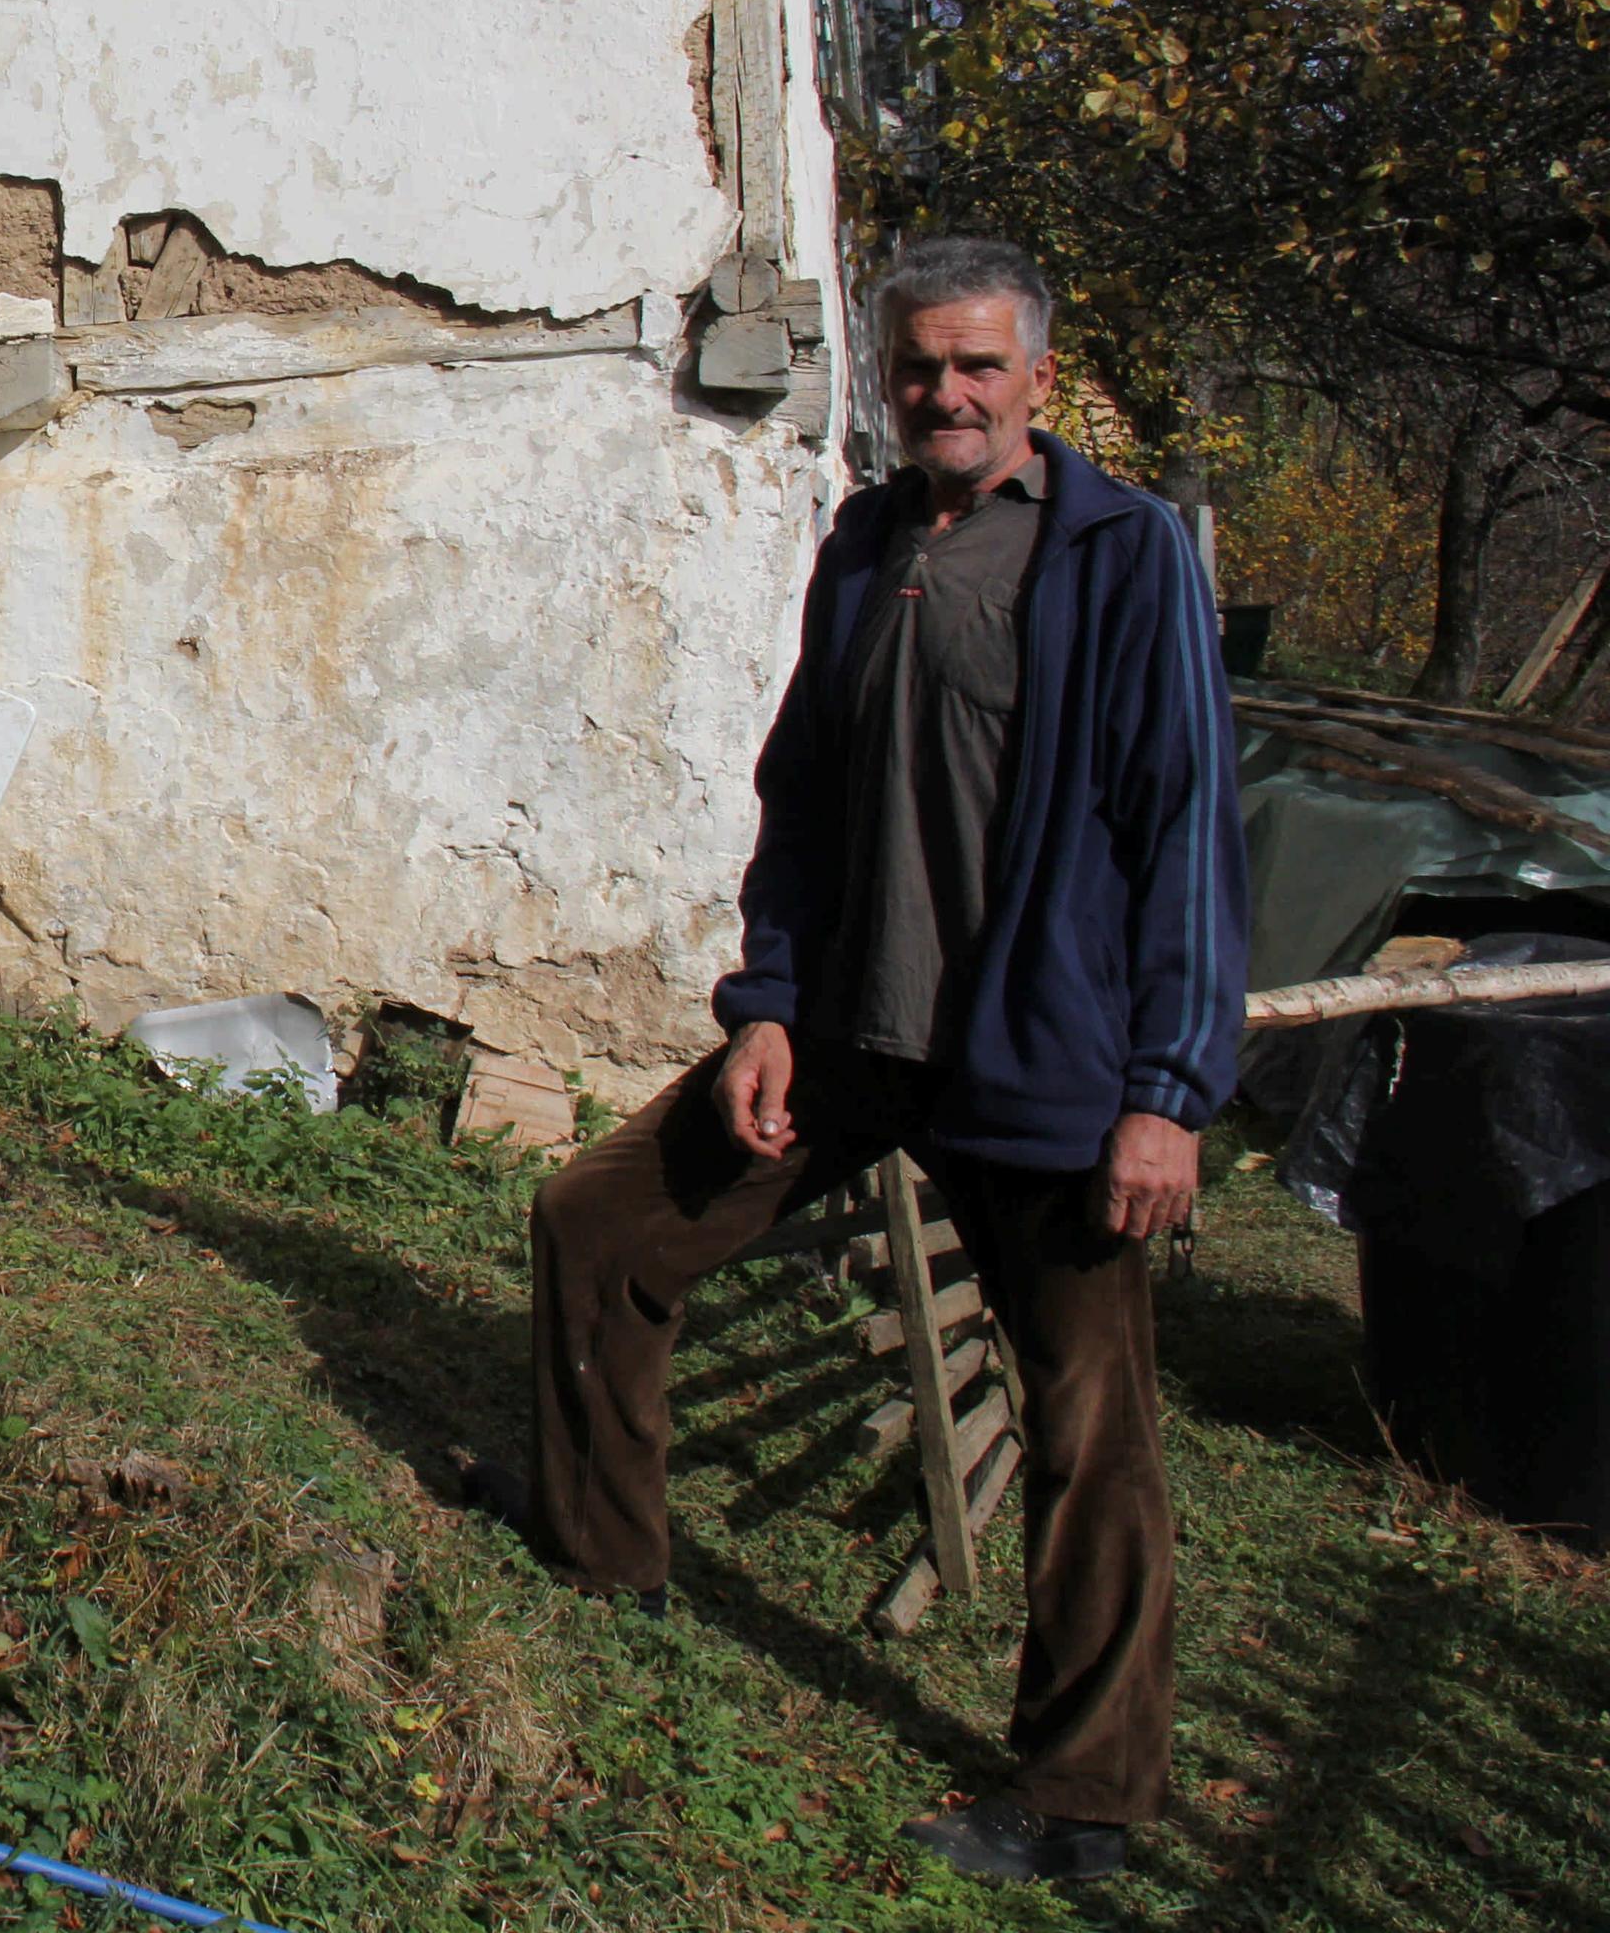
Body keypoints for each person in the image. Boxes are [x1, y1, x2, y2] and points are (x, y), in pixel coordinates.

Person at [475, 235, 1242, 1884]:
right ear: (885, 380)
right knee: (602, 1226)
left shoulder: (1120, 555)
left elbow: (1187, 832)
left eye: (978, 367)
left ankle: (1085, 1798)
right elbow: (803, 797)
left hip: (1041, 1057)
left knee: (1088, 1420)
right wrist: (766, 1004)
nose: (945, 395)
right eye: (918, 368)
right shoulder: (867, 539)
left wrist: (1166, 1094)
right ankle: (602, 1555)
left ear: (1037, 376)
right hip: (847, 1036)